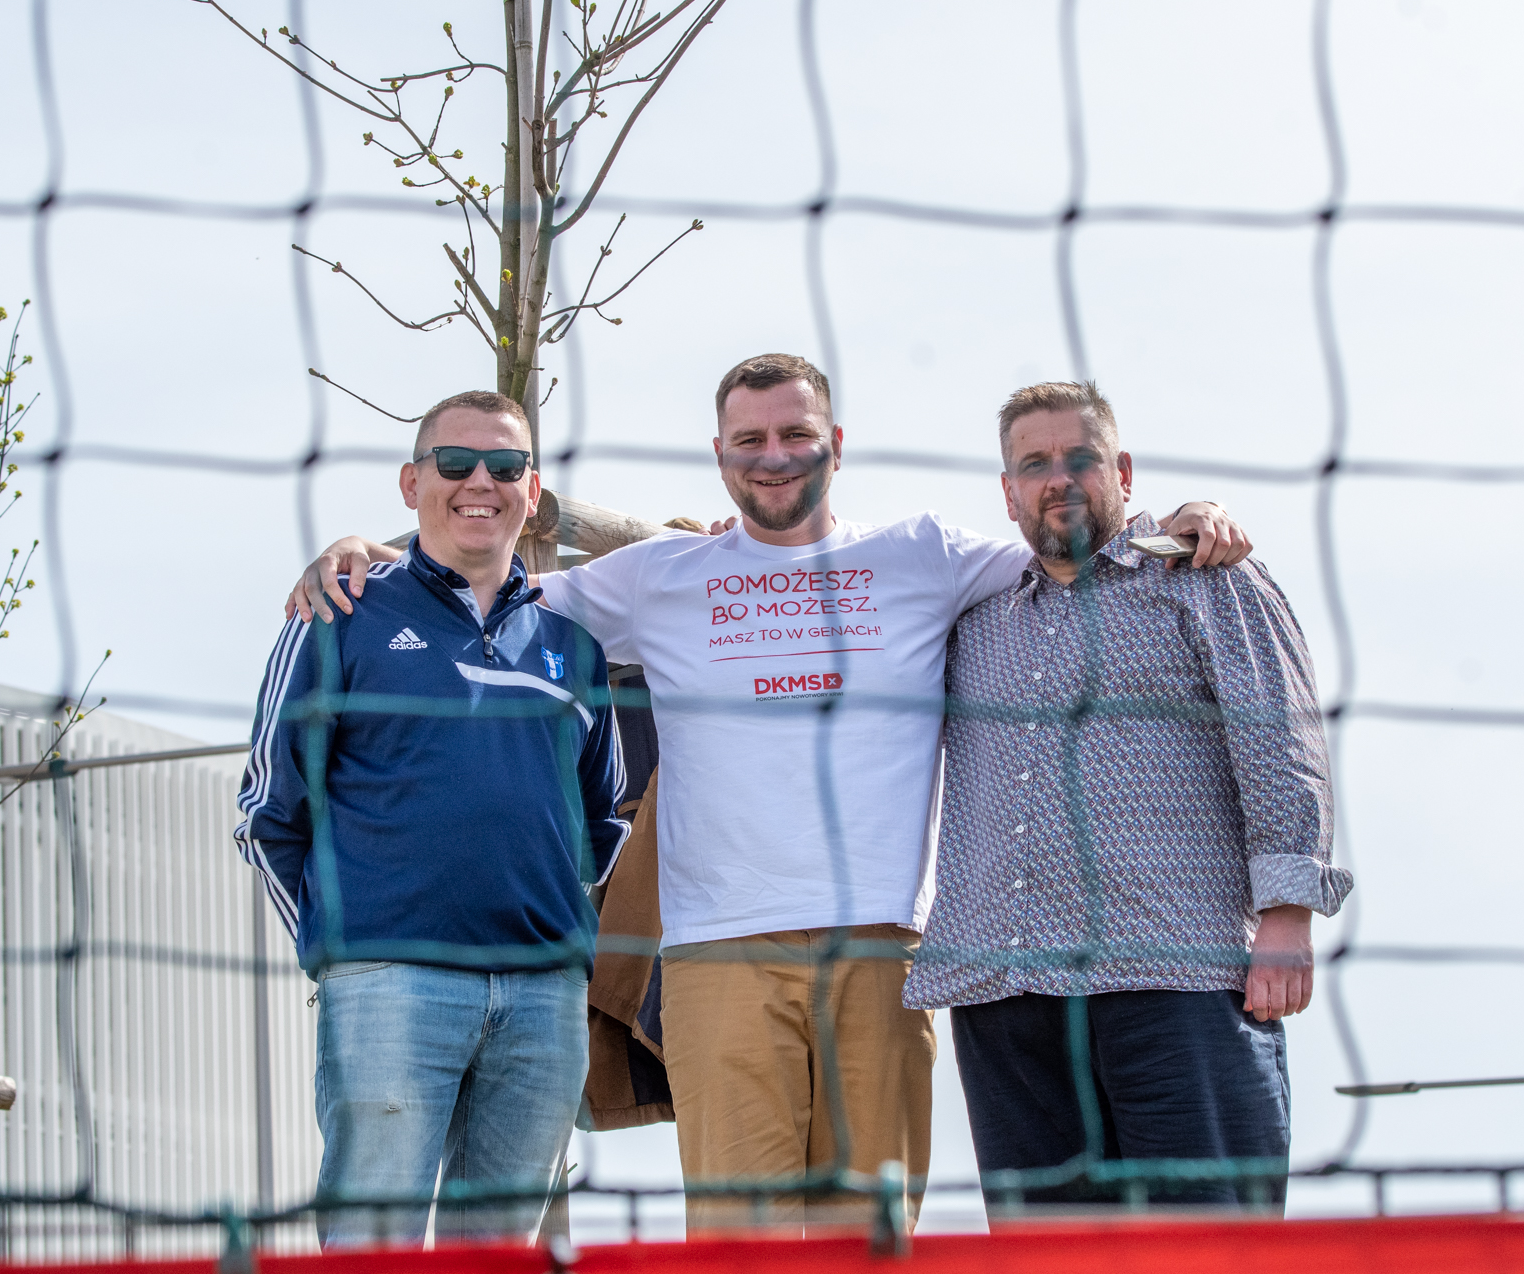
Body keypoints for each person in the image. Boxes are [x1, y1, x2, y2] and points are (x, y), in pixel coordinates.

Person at [283, 355, 1252, 1232]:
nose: (774, 456)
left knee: (869, 1239)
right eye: (750, 439)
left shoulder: (924, 555)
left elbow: (1068, 542)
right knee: (737, 1244)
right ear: (720, 455)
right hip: (718, 953)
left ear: (835, 444)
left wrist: (1183, 515)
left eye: (796, 434)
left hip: (883, 950)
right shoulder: (660, 576)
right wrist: (364, 553)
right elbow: (476, 590)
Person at [903, 381, 1352, 1214]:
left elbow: (1280, 742)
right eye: (1034, 463)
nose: (1058, 478)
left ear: (1124, 471)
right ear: (1007, 490)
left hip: (1178, 977)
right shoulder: (969, 612)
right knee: (1045, 1260)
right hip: (1006, 996)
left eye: (1080, 457)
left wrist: (1288, 914)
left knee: (1207, 1247)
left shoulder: (1206, 578)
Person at [235, 390, 627, 1246]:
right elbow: (269, 813)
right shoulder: (339, 616)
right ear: (413, 483)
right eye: (456, 462)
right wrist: (346, 948)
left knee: (500, 1257)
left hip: (543, 999)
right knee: (373, 1250)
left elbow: (601, 827)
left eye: (506, 465)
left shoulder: (576, 650)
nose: (480, 480)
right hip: (390, 986)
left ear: (531, 490)